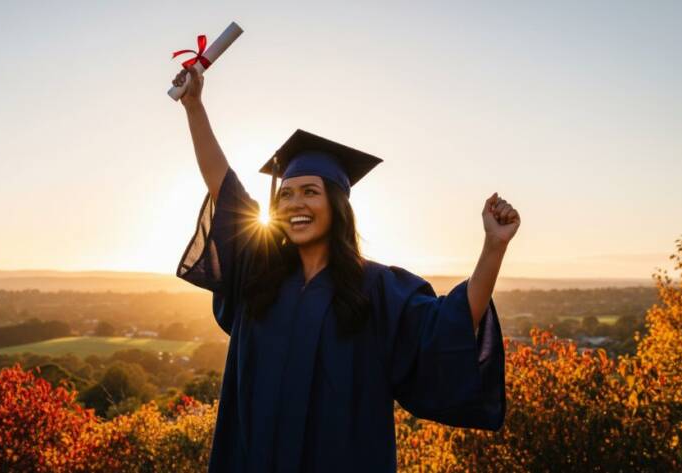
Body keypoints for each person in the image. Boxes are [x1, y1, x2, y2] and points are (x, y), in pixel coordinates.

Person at [172, 65, 519, 473]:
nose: (295, 204)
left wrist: (494, 246)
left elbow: (451, 323)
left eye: (310, 192)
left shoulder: (376, 288)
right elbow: (225, 188)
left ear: (336, 205)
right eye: (285, 195)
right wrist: (194, 107)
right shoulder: (259, 274)